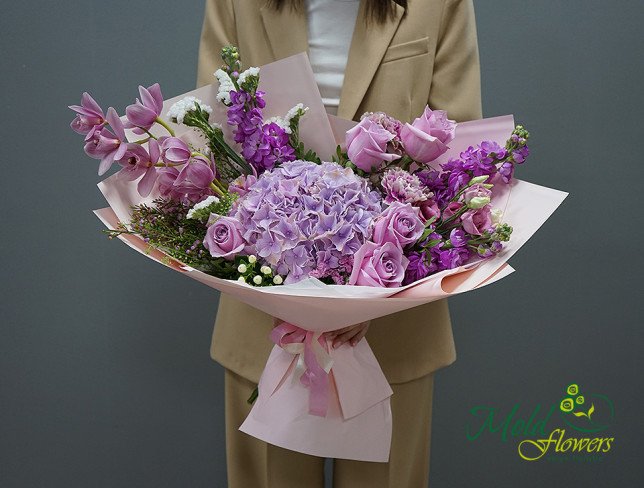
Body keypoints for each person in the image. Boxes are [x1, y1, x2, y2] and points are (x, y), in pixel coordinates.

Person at [197, 0, 482, 486]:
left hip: (393, 321)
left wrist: (366, 292)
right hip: (267, 316)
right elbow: (213, 140)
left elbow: (459, 152)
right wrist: (288, 288)